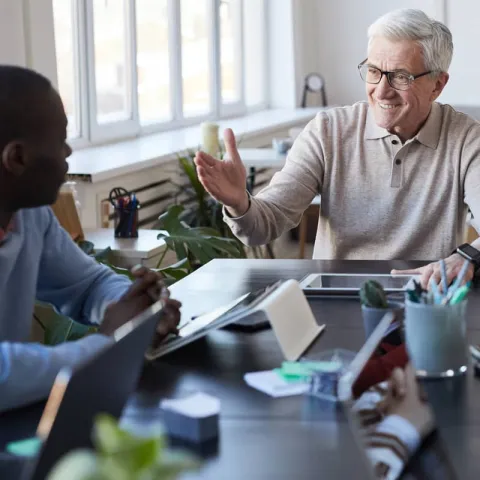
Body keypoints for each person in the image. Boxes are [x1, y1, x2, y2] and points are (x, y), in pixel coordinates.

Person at [194, 8, 480, 289]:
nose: (381, 91)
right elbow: (261, 227)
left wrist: (466, 257)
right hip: (338, 297)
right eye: (373, 71)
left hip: (430, 299)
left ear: (437, 85)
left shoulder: (466, 138)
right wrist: (238, 203)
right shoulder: (327, 131)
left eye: (401, 76)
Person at [0, 66, 180, 413]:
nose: (68, 152)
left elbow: (85, 284)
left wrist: (135, 307)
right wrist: (106, 344)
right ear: (17, 158)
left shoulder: (30, 214)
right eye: (60, 140)